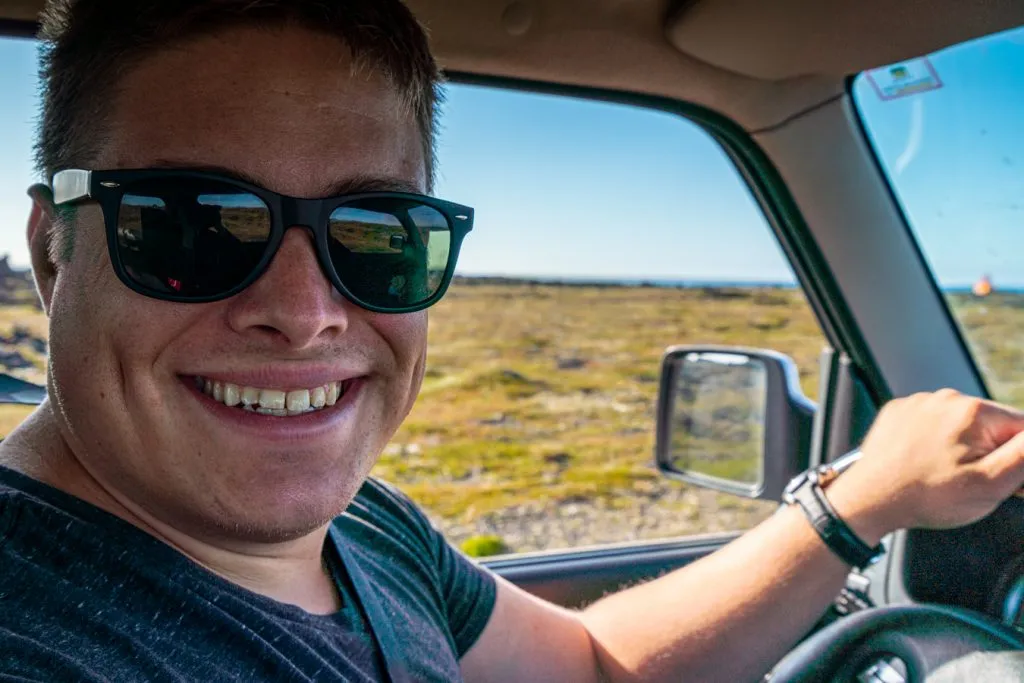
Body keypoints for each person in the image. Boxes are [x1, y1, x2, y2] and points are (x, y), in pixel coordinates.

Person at [2, 1, 1023, 681]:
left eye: (376, 238)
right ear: (54, 255)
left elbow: (587, 663)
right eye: (191, 227)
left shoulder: (363, 527)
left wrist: (855, 501)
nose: (306, 309)